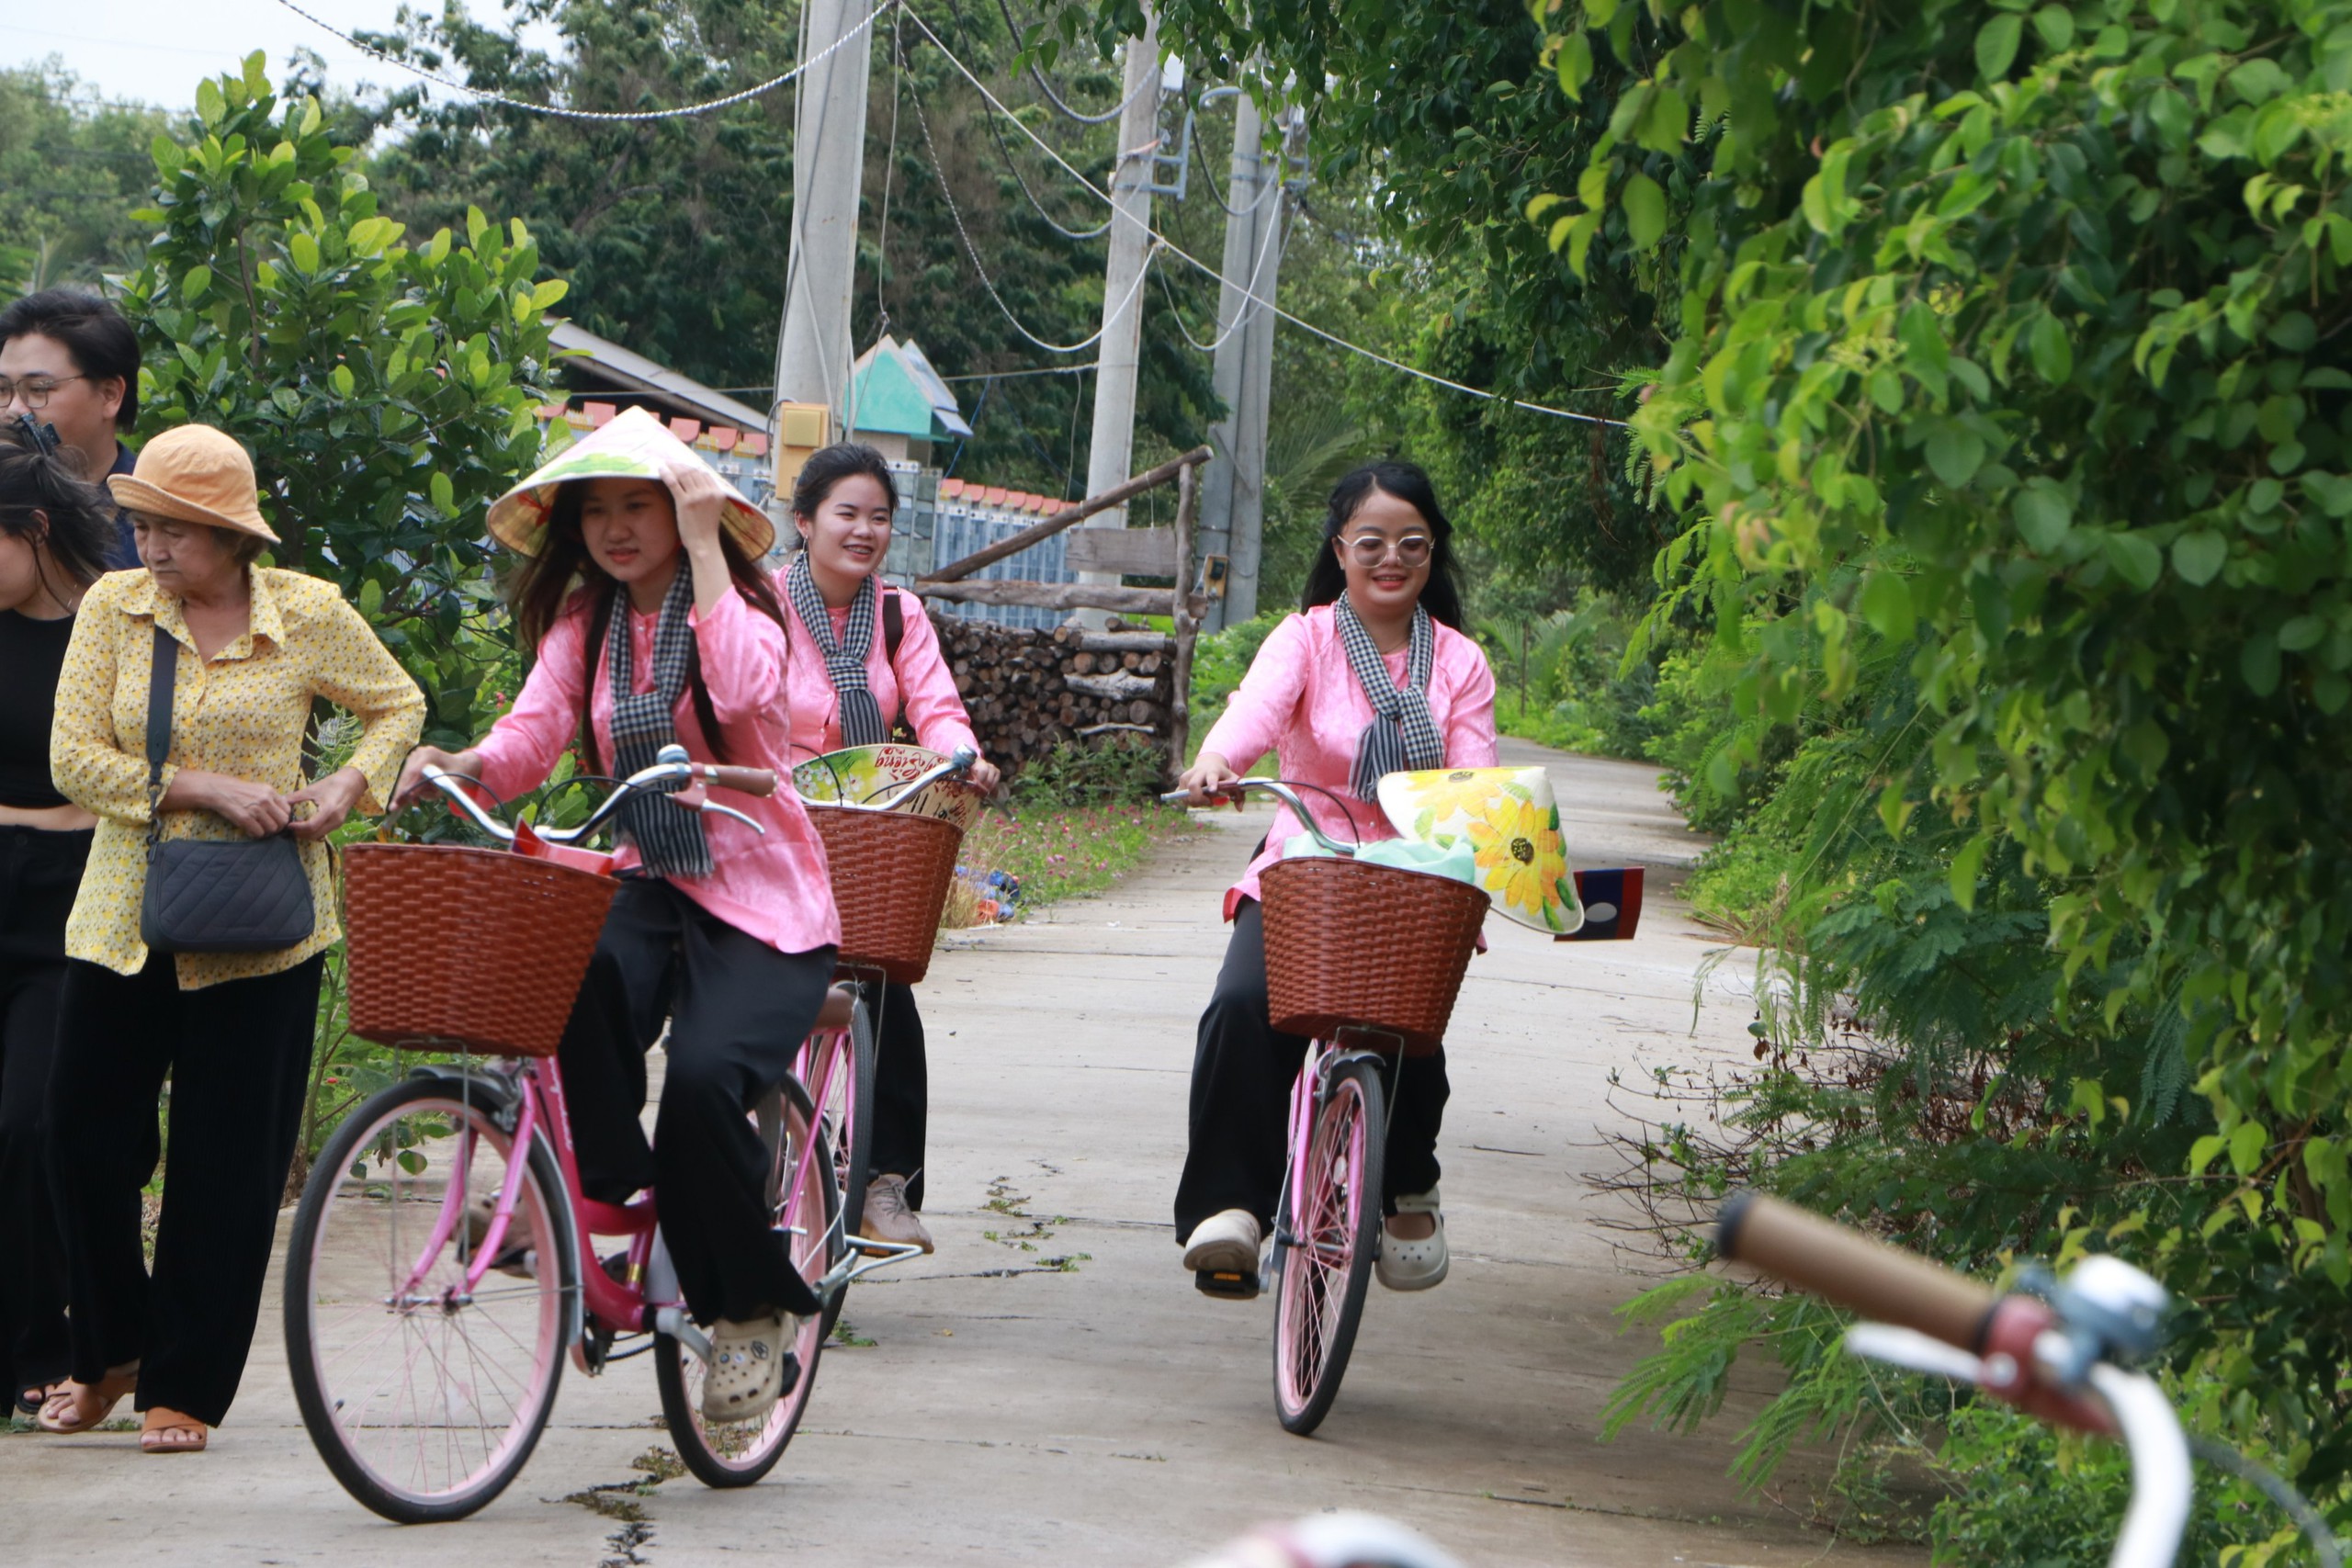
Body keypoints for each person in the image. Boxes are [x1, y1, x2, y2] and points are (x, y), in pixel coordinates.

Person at [393, 407, 842, 1426]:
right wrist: (457, 766)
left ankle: (751, 1309)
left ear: (688, 512)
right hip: (650, 878)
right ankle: (602, 1192)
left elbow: (747, 689)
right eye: (596, 511)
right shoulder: (583, 626)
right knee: (563, 970)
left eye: (639, 505)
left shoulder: (742, 611)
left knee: (698, 1086)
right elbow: (529, 738)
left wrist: (701, 547)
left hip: (764, 902)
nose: (614, 528)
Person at [37, 424, 424, 1453]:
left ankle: (185, 1387)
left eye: (174, 531)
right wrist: (192, 787)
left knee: (226, 1163)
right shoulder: (116, 608)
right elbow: (72, 758)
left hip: (264, 930)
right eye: (144, 525)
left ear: (229, 535)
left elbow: (398, 705)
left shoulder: (305, 613)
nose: (151, 548)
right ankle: (109, 1350)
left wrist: (346, 785)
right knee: (78, 1137)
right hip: (124, 914)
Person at [1171, 459, 1498, 1296]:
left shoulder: (1460, 662)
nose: (1393, 558)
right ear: (1341, 549)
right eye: (1372, 541)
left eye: (1412, 543)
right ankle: (1230, 1210)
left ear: (1433, 553)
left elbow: (1476, 774)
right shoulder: (1307, 637)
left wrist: (1495, 842)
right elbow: (1255, 710)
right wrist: (1217, 760)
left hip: (1418, 872)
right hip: (1309, 856)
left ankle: (1406, 1181)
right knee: (1243, 1007)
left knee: (1413, 1031)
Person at [778, 443, 1000, 1255]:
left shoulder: (899, 615)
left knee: (883, 986)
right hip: (777, 824)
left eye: (879, 517)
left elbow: (936, 707)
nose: (864, 530)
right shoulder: (759, 607)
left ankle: (882, 1184)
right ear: (803, 521)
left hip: (868, 832)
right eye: (847, 513)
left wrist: (962, 754)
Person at [0, 421, 119, 1420]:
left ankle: (46, 1342)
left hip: (69, 890)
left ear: (34, 527)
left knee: (31, 1121)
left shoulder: (108, 624)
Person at [0, 291, 142, 568]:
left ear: (110, 395)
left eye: (39, 389)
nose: (15, 409)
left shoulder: (154, 524)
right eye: (2, 389)